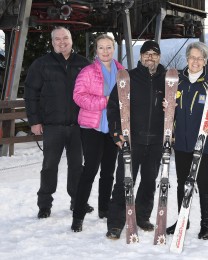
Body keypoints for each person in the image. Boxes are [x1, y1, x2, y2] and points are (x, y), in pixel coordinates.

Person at [24, 26, 93, 218]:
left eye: (65, 38)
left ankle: (77, 202)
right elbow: (30, 94)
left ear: (72, 40)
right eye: (57, 39)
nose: (62, 42)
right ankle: (44, 204)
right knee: (49, 167)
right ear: (52, 42)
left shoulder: (83, 64)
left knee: (77, 167)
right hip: (52, 126)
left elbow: (92, 92)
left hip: (78, 126)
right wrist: (34, 121)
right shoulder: (41, 64)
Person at [105, 40, 165, 239]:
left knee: (149, 181)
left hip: (156, 141)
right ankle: (115, 223)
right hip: (132, 140)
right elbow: (113, 106)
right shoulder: (128, 77)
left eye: (154, 54)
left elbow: (176, 109)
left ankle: (142, 216)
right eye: (146, 53)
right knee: (124, 181)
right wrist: (116, 133)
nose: (150, 57)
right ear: (140, 56)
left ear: (159, 57)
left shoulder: (167, 80)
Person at [165, 42, 208, 240]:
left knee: (204, 183)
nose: (196, 61)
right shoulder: (177, 82)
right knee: (183, 183)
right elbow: (168, 111)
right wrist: (166, 108)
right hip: (181, 142)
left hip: (206, 143)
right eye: (192, 57)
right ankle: (183, 219)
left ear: (205, 61)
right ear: (187, 58)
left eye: (200, 58)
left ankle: (205, 224)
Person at [70, 35, 124, 232]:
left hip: (113, 128)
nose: (105, 51)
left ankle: (104, 208)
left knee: (109, 171)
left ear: (114, 49)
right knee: (90, 169)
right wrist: (105, 101)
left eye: (109, 47)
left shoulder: (122, 72)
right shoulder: (88, 71)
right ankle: (78, 215)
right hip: (92, 127)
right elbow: (78, 96)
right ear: (96, 50)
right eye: (101, 48)